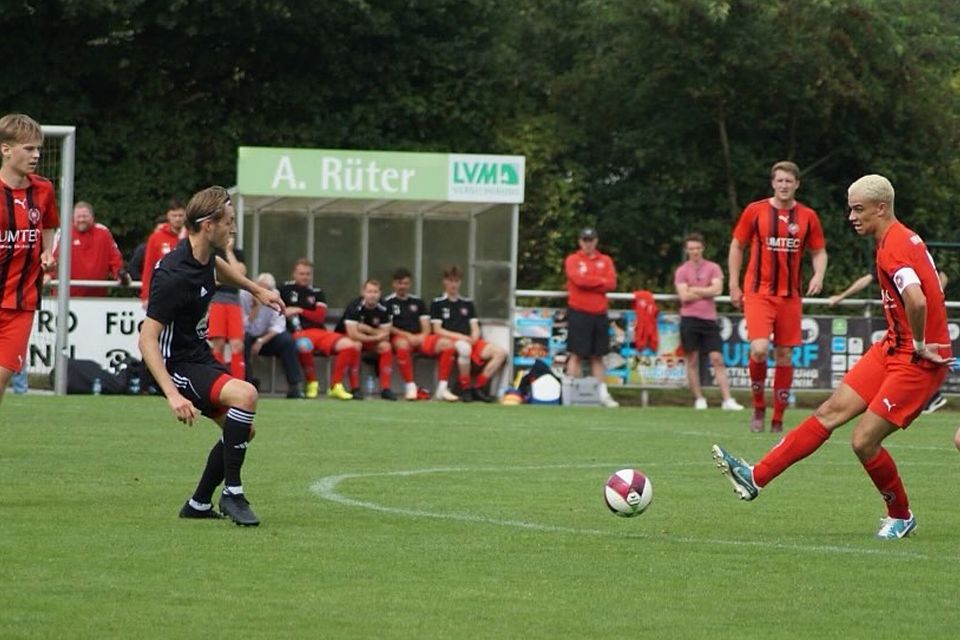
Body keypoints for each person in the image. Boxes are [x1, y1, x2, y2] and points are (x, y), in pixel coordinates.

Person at [713, 174, 954, 540]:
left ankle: (901, 515)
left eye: (858, 209)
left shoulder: (895, 246)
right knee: (829, 412)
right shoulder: (896, 239)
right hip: (892, 347)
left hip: (917, 360)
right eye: (850, 208)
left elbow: (917, 299)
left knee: (863, 441)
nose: (851, 216)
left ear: (881, 208)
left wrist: (921, 342)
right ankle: (755, 476)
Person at [138, 186, 283, 526]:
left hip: (197, 356)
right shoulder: (174, 276)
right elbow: (146, 340)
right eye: (229, 222)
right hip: (176, 365)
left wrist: (257, 288)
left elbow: (217, 267)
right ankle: (233, 492)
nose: (233, 229)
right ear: (208, 225)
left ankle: (199, 504)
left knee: (243, 431)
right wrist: (172, 395)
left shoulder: (201, 255)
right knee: (246, 395)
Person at [728, 161, 827, 433]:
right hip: (759, 293)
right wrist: (734, 284)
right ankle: (759, 407)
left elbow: (819, 251)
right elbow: (737, 245)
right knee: (759, 349)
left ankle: (778, 418)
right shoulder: (755, 211)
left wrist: (818, 275)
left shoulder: (808, 216)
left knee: (784, 354)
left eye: (789, 181)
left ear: (797, 184)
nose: (784, 185)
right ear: (773, 183)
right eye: (779, 180)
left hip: (790, 296)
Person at [830, 270, 950, 414]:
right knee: (901, 358)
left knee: (910, 357)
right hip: (902, 321)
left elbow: (942, 277)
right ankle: (929, 397)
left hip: (911, 320)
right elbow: (867, 279)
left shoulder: (904, 260)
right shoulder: (897, 261)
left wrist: (930, 299)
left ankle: (930, 397)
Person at [0, 113, 58, 407]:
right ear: (6, 149)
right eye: (28, 148)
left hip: (21, 303)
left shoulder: (43, 189)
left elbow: (49, 224)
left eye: (38, 149)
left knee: (2, 377)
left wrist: (48, 252)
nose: (36, 155)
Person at [674, 232, 743, 411]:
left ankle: (727, 399)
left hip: (708, 319)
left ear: (702, 248)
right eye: (691, 249)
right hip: (689, 318)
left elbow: (717, 289)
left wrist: (695, 290)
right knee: (692, 360)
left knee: (717, 358)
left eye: (697, 248)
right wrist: (705, 290)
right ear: (686, 250)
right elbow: (683, 295)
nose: (694, 252)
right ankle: (699, 398)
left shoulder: (713, 267)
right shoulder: (682, 270)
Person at [278, 258, 360, 400]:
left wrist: (299, 310)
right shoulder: (284, 289)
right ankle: (312, 383)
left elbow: (320, 317)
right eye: (301, 273)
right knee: (304, 345)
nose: (305, 277)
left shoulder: (317, 292)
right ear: (294, 274)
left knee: (350, 345)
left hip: (320, 332)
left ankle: (336, 385)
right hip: (299, 333)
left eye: (308, 274)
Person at [429, 265, 507, 403]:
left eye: (457, 281)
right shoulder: (437, 303)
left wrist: (475, 336)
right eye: (451, 281)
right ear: (445, 281)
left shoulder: (467, 303)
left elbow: (474, 325)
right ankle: (465, 388)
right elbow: (437, 329)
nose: (454, 284)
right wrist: (460, 337)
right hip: (452, 340)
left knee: (500, 353)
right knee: (464, 348)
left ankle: (478, 386)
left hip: (470, 340)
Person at [563, 227, 619, 408]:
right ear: (580, 241)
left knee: (598, 355)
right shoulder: (573, 259)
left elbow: (611, 283)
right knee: (576, 353)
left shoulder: (606, 260)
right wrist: (598, 281)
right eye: (585, 240)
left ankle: (602, 393)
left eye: (591, 240)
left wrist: (590, 281)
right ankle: (570, 393)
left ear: (596, 241)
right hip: (579, 311)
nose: (588, 244)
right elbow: (577, 280)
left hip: (599, 312)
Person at [384, 267, 459, 401]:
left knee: (448, 344)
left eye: (406, 283)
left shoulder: (418, 302)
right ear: (394, 284)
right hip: (401, 337)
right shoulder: (387, 302)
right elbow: (389, 327)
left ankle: (442, 388)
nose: (403, 286)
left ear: (410, 284)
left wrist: (422, 336)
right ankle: (410, 386)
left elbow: (425, 325)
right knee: (402, 344)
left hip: (420, 338)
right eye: (400, 283)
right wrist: (409, 336)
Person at [240, 272, 304, 399]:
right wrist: (255, 309)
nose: (262, 292)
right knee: (243, 341)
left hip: (265, 338)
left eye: (266, 289)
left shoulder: (275, 296)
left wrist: (261, 341)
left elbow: (279, 325)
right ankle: (247, 384)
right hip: (246, 336)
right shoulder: (244, 295)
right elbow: (242, 325)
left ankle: (294, 386)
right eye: (259, 288)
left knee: (287, 341)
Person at [50, 201, 128, 297]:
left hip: (97, 298)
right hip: (66, 299)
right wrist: (47, 275)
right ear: (73, 218)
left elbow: (115, 259)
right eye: (78, 216)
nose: (81, 219)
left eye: (85, 216)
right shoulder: (63, 232)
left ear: (92, 217)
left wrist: (119, 274)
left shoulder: (103, 233)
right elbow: (52, 259)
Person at [337, 279, 397, 400]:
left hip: (369, 339)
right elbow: (353, 334)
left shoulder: (385, 307)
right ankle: (355, 388)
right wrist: (376, 336)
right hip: (346, 338)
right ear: (363, 292)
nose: (372, 295)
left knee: (386, 346)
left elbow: (385, 335)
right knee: (356, 345)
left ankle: (385, 388)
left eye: (375, 292)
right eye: (369, 291)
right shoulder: (354, 306)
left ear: (380, 293)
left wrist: (366, 329)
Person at [207, 237, 246, 381]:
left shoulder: (237, 253)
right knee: (218, 344)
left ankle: (239, 382)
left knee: (237, 344)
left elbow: (239, 274)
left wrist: (229, 252)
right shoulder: (211, 252)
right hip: (216, 300)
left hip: (233, 302)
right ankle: (219, 380)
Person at [140, 199, 186, 306]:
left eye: (180, 215)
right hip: (163, 291)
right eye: (174, 215)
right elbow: (149, 267)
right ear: (168, 216)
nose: (177, 219)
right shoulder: (156, 238)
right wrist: (146, 295)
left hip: (187, 291)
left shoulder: (193, 236)